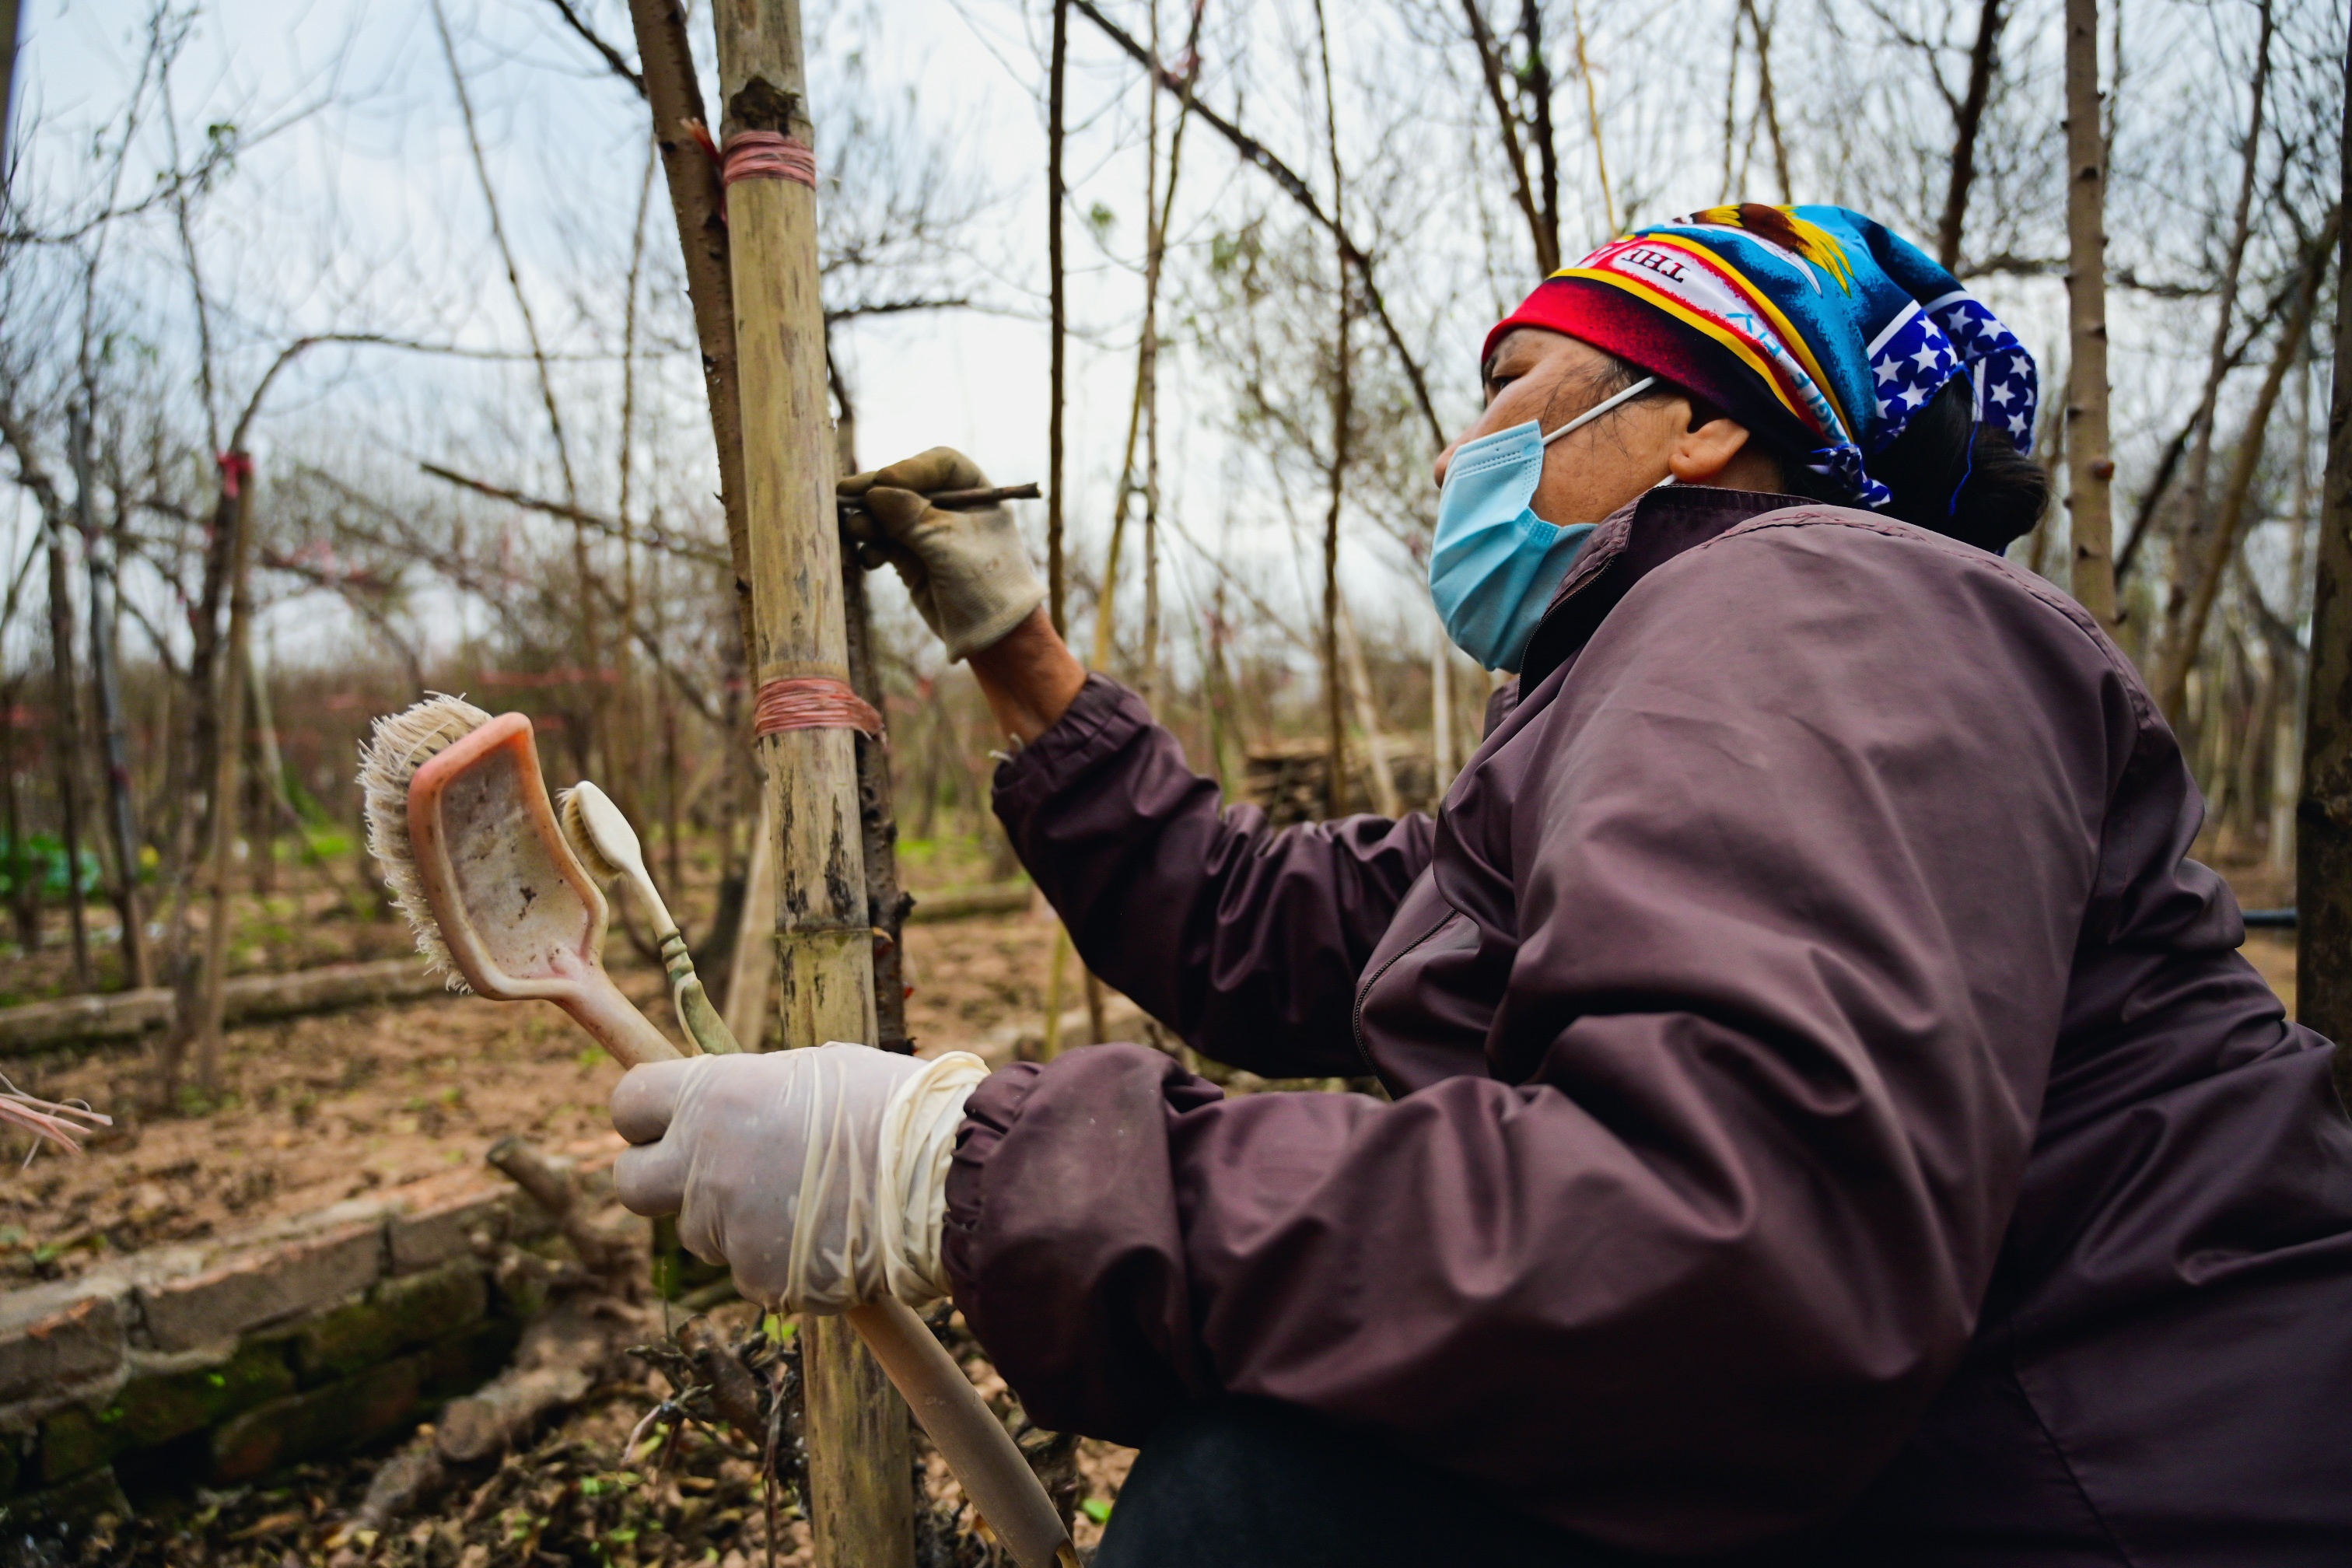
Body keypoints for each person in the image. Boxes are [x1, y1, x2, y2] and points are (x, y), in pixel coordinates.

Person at [607, 205, 2352, 1566]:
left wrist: (954, 1165)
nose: (1462, 452)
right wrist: (1019, 649)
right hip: (1975, 1462)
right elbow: (1263, 919)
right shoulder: (1644, 693)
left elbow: (1725, 1234)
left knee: (1271, 1496)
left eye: (1513, 390)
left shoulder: (1806, 605)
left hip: (2111, 1499)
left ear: (1689, 423)